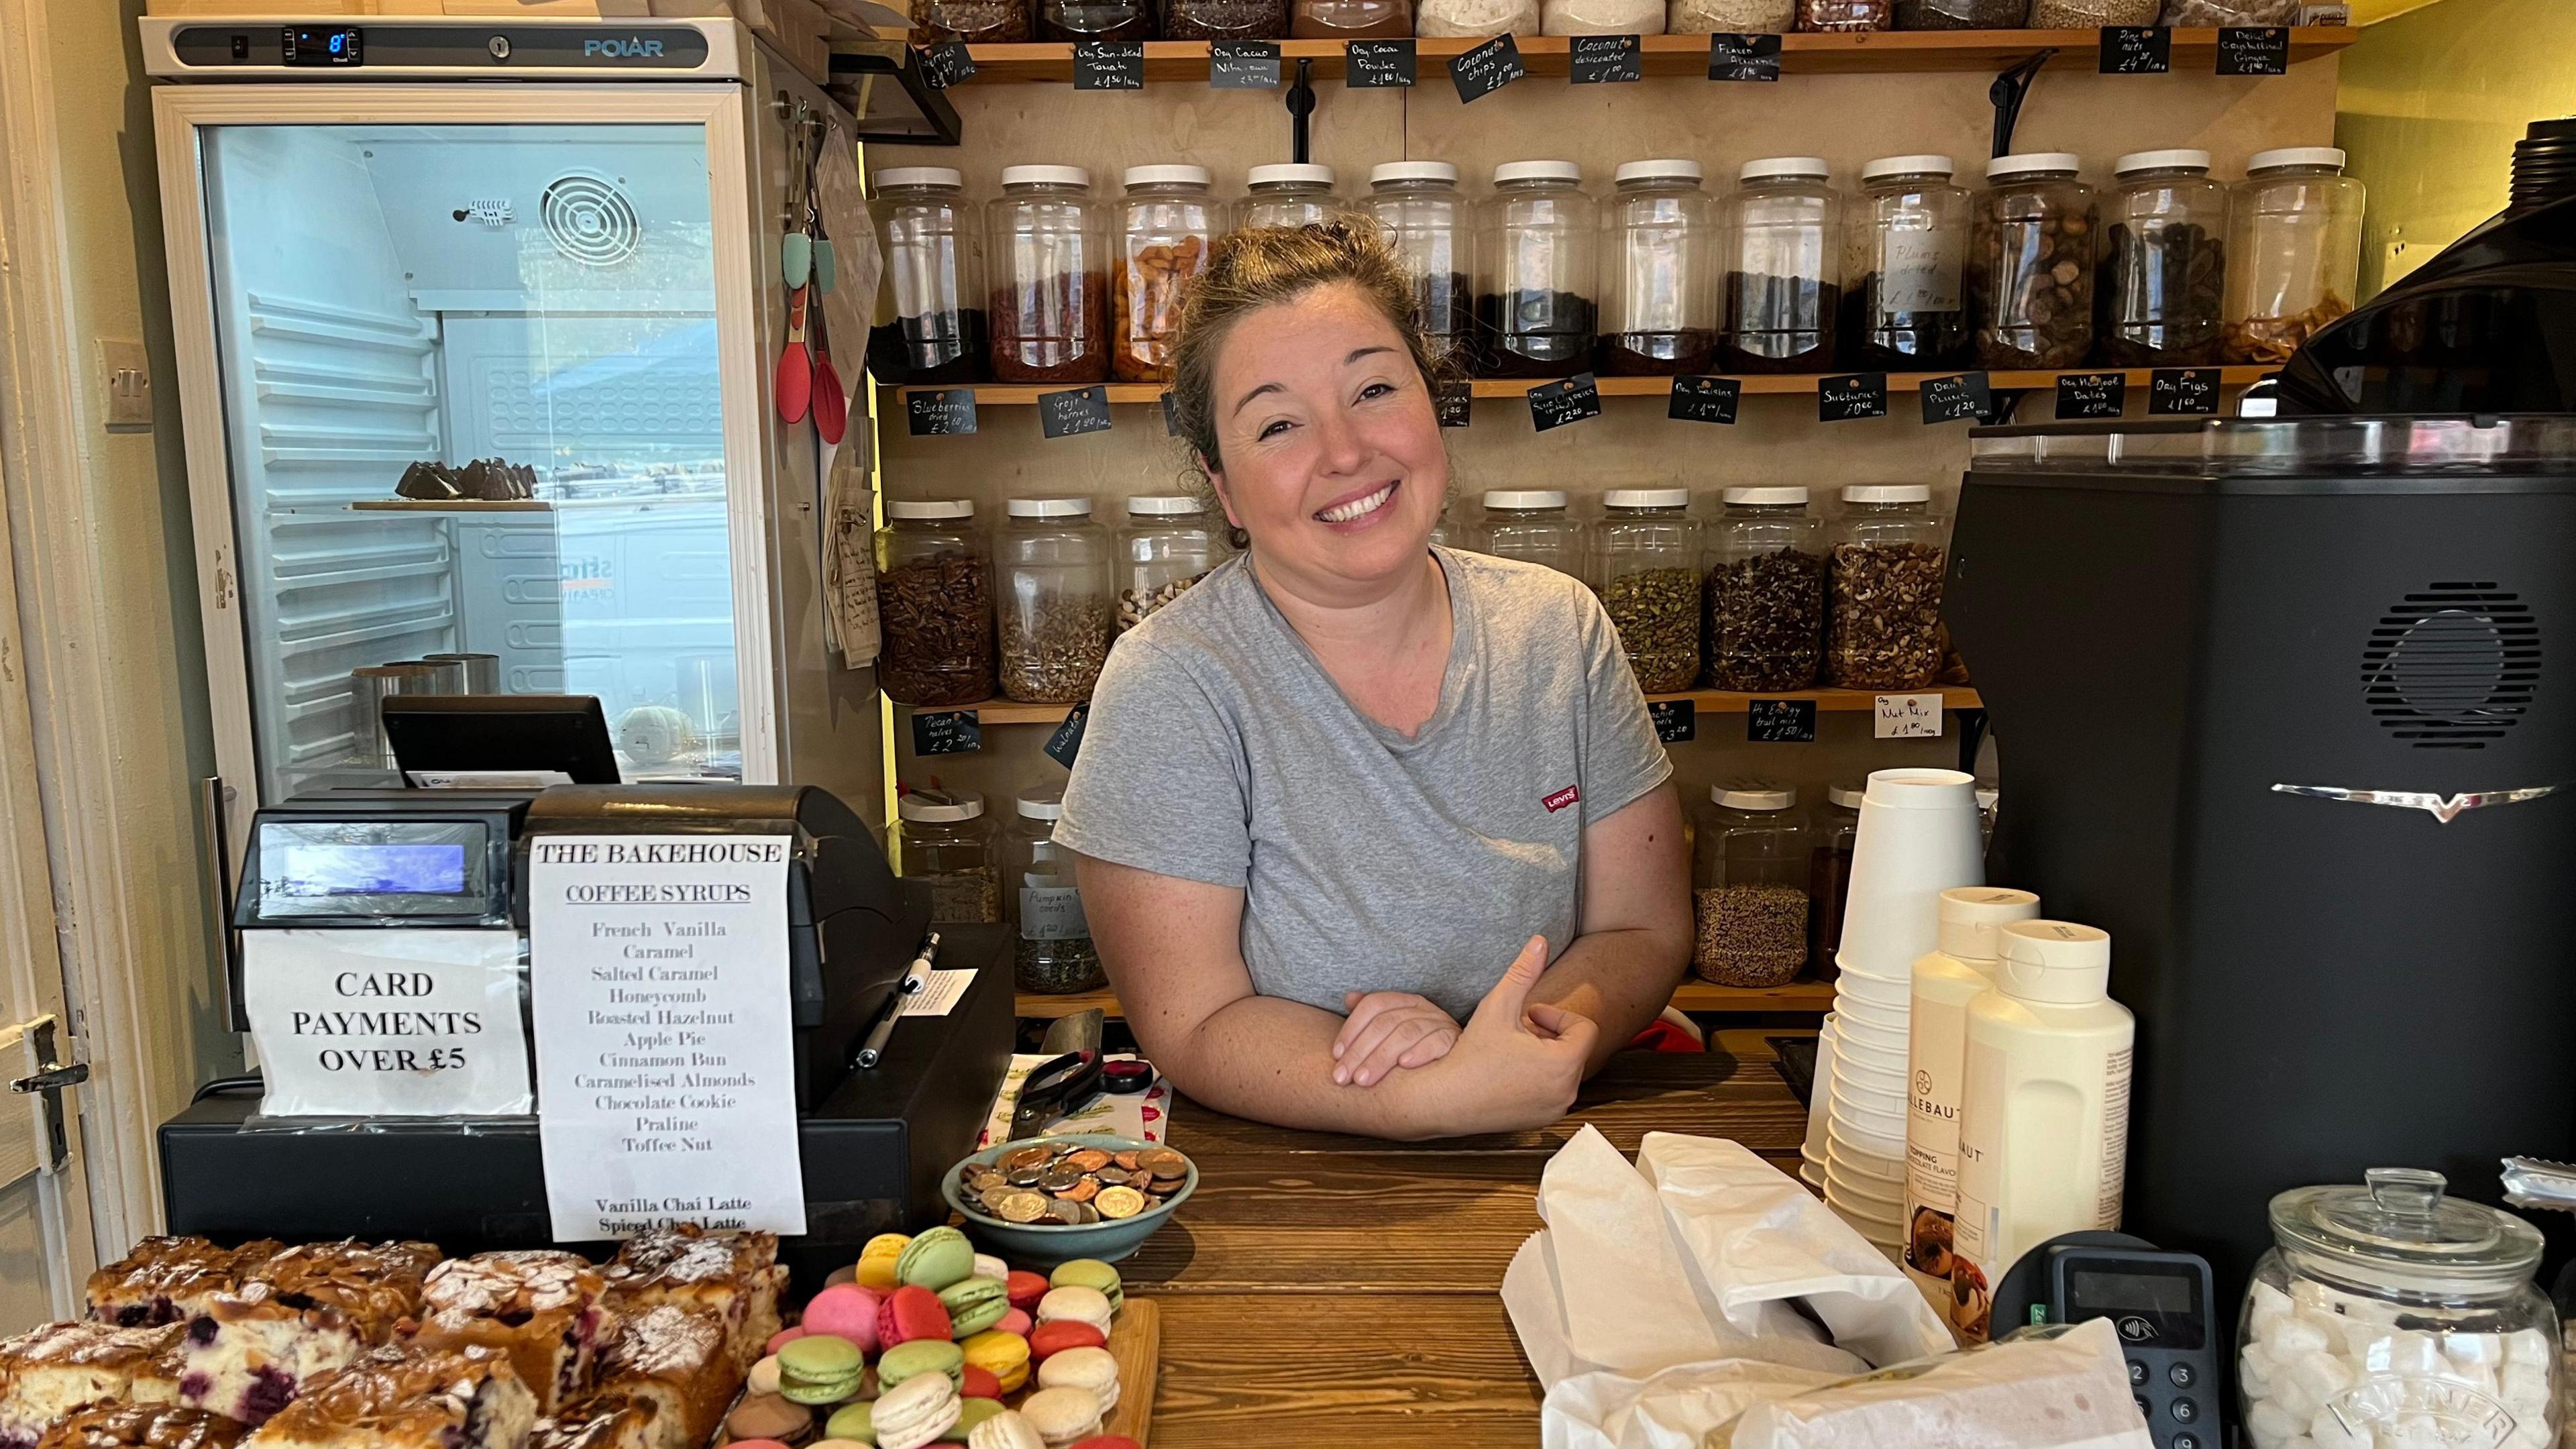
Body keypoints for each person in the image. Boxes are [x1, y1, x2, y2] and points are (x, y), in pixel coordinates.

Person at [1054, 222, 1689, 1140]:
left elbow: (1641, 932)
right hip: (1298, 1190)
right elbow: (1192, 1024)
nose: (1345, 451)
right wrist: (1415, 1093)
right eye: (1278, 424)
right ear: (1224, 486)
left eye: (1375, 389)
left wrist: (1525, 1049)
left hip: (1555, 1147)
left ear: (1434, 405)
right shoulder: (1174, 682)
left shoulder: (1559, 628)